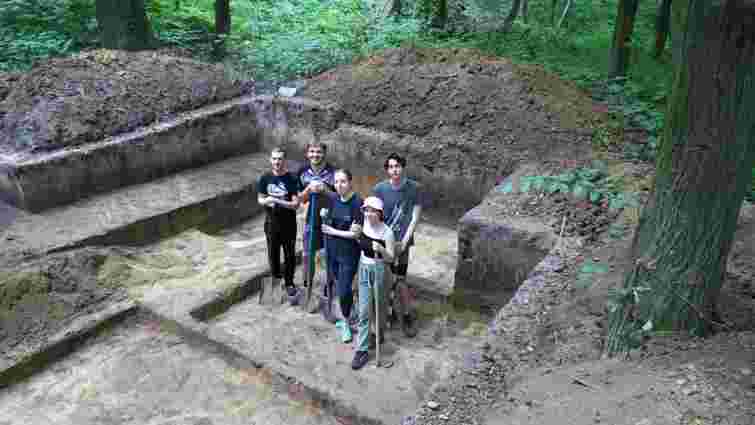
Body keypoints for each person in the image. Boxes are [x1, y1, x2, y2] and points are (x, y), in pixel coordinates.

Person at [372, 152, 425, 338]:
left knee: (400, 280)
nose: (395, 170)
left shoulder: (415, 189)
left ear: (403, 167)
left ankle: (407, 314)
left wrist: (404, 241)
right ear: (387, 170)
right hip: (384, 242)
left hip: (402, 242)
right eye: (391, 167)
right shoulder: (379, 189)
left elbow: (414, 218)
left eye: (398, 166)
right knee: (386, 278)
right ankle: (389, 312)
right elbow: (375, 216)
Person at [352, 196, 394, 370]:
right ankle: (361, 350)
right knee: (364, 311)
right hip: (364, 268)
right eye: (366, 210)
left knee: (380, 308)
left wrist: (382, 249)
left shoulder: (387, 232)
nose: (368, 214)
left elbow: (391, 258)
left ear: (380, 213)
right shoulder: (364, 224)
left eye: (372, 211)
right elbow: (361, 243)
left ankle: (378, 335)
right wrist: (356, 234)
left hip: (380, 271)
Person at [321, 169, 363, 343]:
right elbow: (329, 221)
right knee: (340, 285)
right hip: (332, 251)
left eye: (343, 181)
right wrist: (324, 216)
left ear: (350, 182)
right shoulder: (333, 199)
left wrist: (332, 230)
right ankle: (348, 310)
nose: (339, 185)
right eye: (336, 182)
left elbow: (355, 235)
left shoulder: (357, 203)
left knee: (344, 288)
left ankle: (345, 322)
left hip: (349, 254)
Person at [297, 141, 336, 315]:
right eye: (312, 152)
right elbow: (298, 199)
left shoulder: (334, 173)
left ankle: (329, 289)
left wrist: (324, 189)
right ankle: (308, 287)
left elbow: (339, 197)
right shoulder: (302, 172)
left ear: (324, 154)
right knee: (307, 256)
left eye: (318, 152)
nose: (315, 155)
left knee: (329, 257)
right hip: (310, 221)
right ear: (307, 154)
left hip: (329, 222)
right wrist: (309, 189)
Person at [257, 147, 301, 300]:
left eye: (280, 159)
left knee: (289, 256)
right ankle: (275, 282)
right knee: (273, 255)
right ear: (270, 160)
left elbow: (296, 205)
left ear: (285, 161)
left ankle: (289, 283)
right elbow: (260, 199)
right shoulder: (265, 178)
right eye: (274, 158)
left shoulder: (292, 179)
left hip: (288, 224)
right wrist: (265, 201)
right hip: (271, 224)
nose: (277, 162)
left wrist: (275, 200)